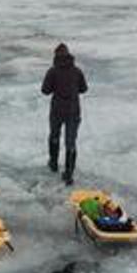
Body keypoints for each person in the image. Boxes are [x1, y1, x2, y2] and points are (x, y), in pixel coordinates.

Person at [41, 42, 87, 183]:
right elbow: (84, 89)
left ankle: (54, 164)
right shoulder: (77, 71)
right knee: (70, 142)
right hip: (73, 111)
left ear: (55, 56)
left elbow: (45, 91)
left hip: (57, 111)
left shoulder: (52, 71)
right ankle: (68, 173)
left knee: (54, 135)